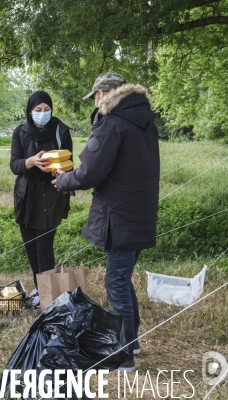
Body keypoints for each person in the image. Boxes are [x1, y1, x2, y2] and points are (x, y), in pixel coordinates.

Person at [53, 72, 160, 372]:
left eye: (95, 97)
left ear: (103, 94)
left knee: (115, 284)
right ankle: (133, 341)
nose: (95, 103)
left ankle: (123, 356)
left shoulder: (112, 123)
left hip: (120, 216)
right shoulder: (144, 121)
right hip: (140, 213)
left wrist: (63, 181)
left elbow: (89, 173)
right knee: (123, 281)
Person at [10, 91, 73, 308]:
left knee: (44, 246)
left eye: (46, 109)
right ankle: (40, 288)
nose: (43, 114)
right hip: (26, 196)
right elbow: (14, 165)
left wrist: (59, 171)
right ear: (30, 111)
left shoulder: (60, 131)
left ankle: (47, 297)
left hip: (51, 194)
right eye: (38, 110)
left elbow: (69, 162)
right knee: (30, 246)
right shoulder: (20, 132)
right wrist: (30, 162)